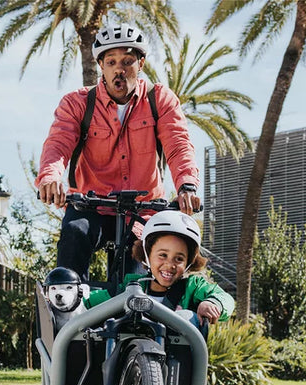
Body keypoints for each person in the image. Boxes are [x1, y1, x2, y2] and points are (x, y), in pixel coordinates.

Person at [36, 22, 200, 282]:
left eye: (127, 61)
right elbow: (58, 143)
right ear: (101, 65)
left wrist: (187, 185)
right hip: (90, 206)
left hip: (142, 209)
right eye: (111, 62)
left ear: (141, 64)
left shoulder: (160, 100)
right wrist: (50, 177)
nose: (119, 70)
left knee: (136, 285)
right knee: (74, 237)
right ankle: (65, 313)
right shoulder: (77, 103)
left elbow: (179, 145)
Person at [84, 211, 234, 329]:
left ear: (189, 262)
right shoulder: (132, 287)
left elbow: (225, 298)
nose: (170, 264)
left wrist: (213, 303)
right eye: (163, 255)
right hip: (135, 361)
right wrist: (76, 296)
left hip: (178, 364)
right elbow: (94, 300)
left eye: (179, 259)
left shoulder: (193, 287)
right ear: (147, 255)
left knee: (186, 316)